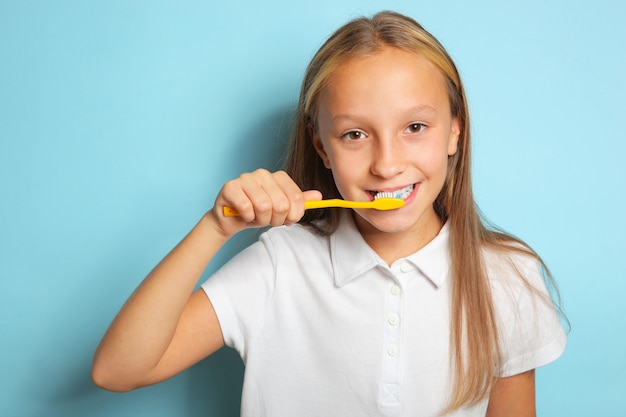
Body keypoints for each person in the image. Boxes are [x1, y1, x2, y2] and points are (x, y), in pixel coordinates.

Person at [92, 10, 567, 416]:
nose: (387, 164)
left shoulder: (509, 277)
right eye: (355, 135)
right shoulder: (279, 265)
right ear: (321, 146)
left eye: (415, 127)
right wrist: (216, 227)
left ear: (454, 133)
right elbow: (118, 370)